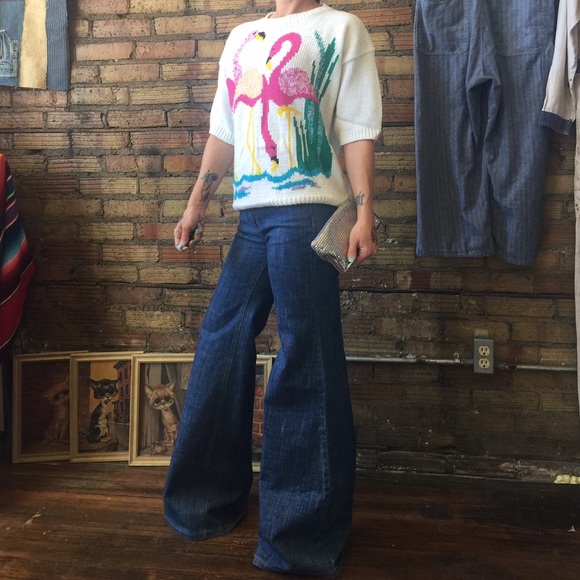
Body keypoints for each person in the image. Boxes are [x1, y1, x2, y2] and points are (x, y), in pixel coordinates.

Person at [163, 1, 382, 577]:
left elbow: (356, 129)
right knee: (222, 338)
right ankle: (204, 502)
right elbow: (225, 130)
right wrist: (196, 204)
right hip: (253, 217)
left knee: (305, 357)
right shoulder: (242, 37)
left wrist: (365, 211)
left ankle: (300, 537)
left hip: (308, 211)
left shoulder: (341, 28)